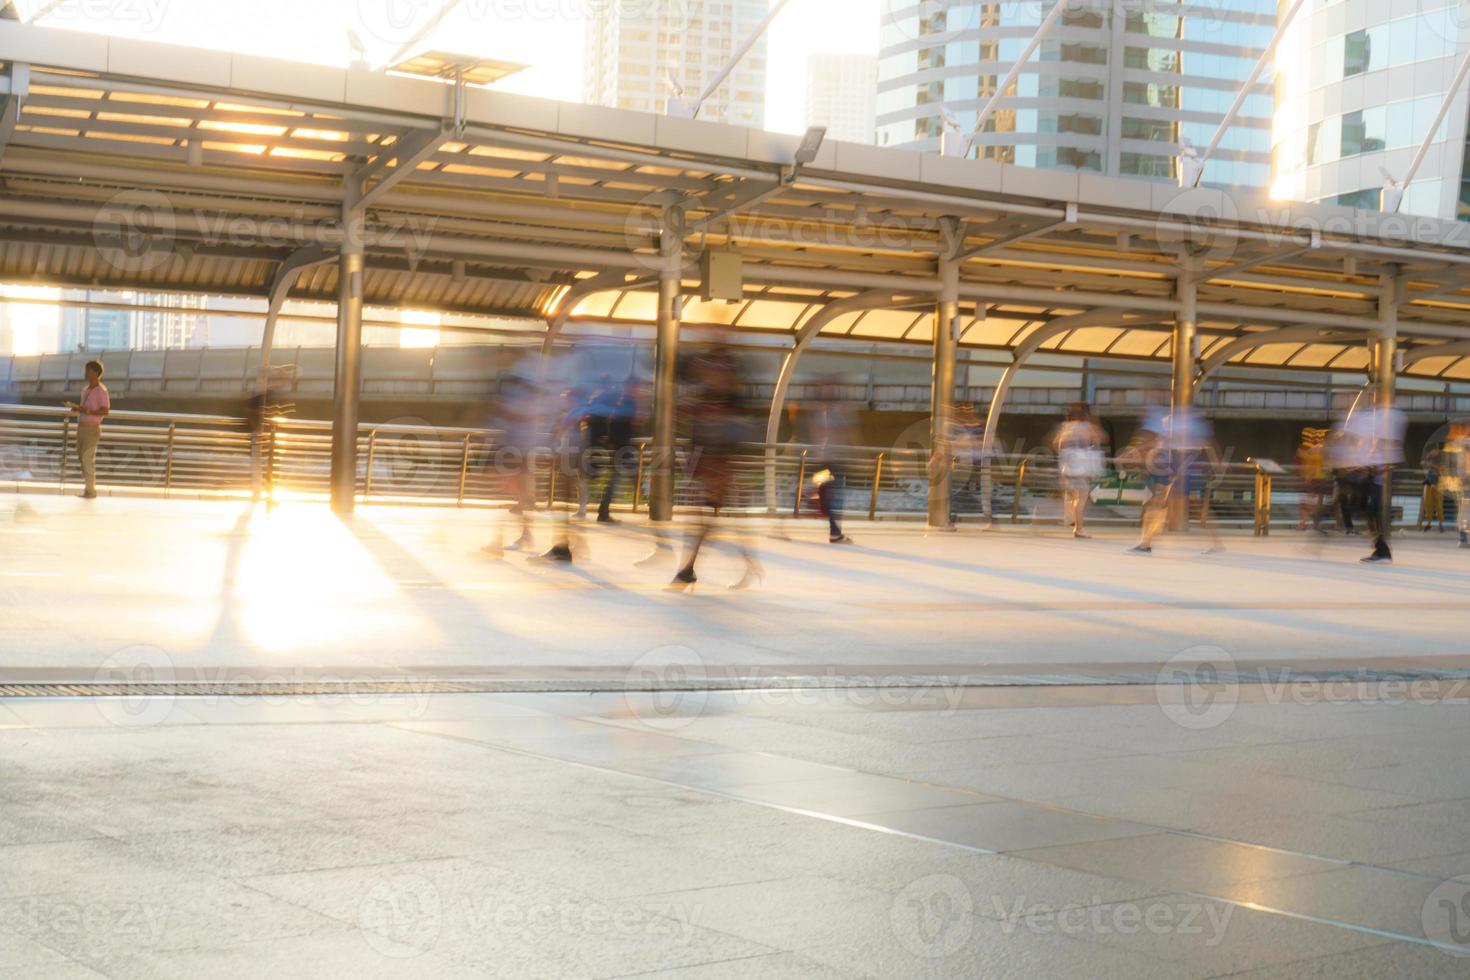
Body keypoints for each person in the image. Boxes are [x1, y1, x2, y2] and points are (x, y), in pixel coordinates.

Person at [670, 336, 762, 591]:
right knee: (713, 517)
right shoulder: (706, 400)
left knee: (707, 517)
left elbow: (733, 433)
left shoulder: (730, 404)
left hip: (718, 463)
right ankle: (744, 564)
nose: (710, 374)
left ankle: (688, 569)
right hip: (708, 462)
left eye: (716, 370)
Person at [809, 379, 857, 544]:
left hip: (825, 461)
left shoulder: (819, 412)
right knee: (832, 496)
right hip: (830, 462)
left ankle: (834, 530)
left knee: (828, 495)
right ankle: (835, 531)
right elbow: (847, 434)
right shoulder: (837, 412)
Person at [1052, 403, 1105, 539]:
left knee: (1072, 495)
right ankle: (1079, 528)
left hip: (1067, 466)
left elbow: (1056, 445)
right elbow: (1100, 438)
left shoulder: (1065, 427)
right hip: (1080, 468)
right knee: (1082, 498)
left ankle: (1072, 519)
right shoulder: (1087, 427)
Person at [65, 360, 110, 499]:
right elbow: (85, 409)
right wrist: (77, 409)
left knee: (87, 459)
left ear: (96, 373)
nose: (85, 374)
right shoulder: (85, 390)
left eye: (88, 371)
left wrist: (88, 411)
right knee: (81, 457)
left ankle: (91, 491)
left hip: (92, 428)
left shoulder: (101, 391)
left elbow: (105, 411)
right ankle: (88, 488)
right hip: (82, 427)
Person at [1295, 428, 1331, 533]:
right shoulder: (1322, 449)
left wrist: (1309, 475)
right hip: (1319, 479)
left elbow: (1308, 464)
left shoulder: (1310, 449)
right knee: (1314, 502)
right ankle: (1312, 523)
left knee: (1307, 502)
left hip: (1313, 479)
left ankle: (1304, 523)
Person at [1421, 445, 1446, 532]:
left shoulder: (1442, 457)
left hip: (1439, 483)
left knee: (1439, 504)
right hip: (1428, 482)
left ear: (1435, 450)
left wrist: (1432, 465)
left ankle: (1440, 524)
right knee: (1427, 503)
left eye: (1430, 452)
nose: (1429, 454)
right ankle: (1429, 523)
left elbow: (1443, 469)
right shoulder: (1428, 458)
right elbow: (1425, 466)